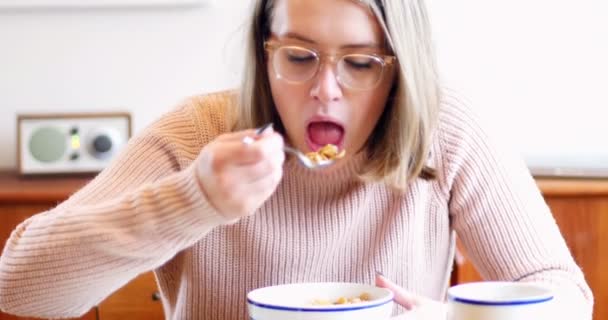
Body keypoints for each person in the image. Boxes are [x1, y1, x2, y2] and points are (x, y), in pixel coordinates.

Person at [0, 0, 594, 319]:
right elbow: (21, 288)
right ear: (265, 53)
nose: (326, 90)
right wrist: (192, 202)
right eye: (300, 56)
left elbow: (564, 297)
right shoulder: (199, 133)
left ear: (400, 70)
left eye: (360, 64)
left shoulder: (445, 127)